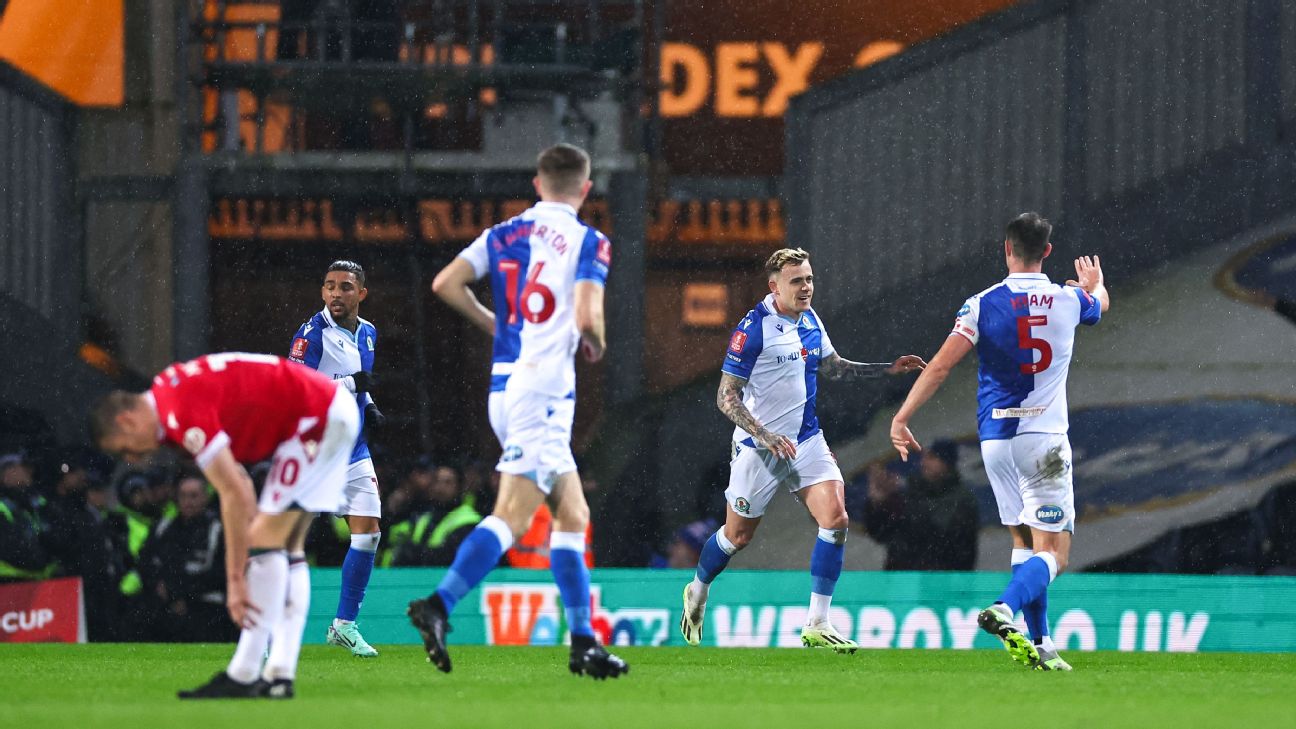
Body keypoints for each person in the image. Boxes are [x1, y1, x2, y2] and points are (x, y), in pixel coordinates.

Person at [411, 143, 627, 679]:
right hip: (544, 391)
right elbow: (585, 314)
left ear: (537, 183)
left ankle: (584, 642)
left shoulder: (505, 233)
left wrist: (491, 323)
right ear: (584, 188)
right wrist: (596, 342)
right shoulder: (588, 241)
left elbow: (445, 283)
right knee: (512, 515)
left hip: (504, 389)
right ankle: (438, 605)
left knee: (573, 515)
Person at [889, 213, 1109, 671]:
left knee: (1024, 540)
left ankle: (1042, 644)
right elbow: (1100, 306)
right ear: (1047, 251)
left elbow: (941, 367)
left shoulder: (980, 304)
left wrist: (903, 416)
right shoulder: (1069, 299)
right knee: (1055, 553)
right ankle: (1006, 607)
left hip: (995, 440)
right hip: (1044, 442)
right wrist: (1094, 283)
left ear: (1006, 249)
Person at [680, 247, 926, 652]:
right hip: (759, 449)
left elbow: (833, 366)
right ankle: (698, 590)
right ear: (774, 286)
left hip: (806, 440)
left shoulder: (811, 319)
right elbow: (726, 397)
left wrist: (887, 367)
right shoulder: (752, 329)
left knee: (837, 518)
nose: (806, 287)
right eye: (797, 281)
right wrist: (763, 435)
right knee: (736, 537)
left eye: (809, 279)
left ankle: (817, 622)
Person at [90, 352, 360, 698]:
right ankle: (278, 674)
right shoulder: (169, 395)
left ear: (126, 420)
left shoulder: (178, 412)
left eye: (124, 449)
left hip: (316, 417)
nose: (132, 459)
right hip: (322, 411)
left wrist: (235, 581)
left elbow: (232, 492)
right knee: (285, 546)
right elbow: (242, 486)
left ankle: (245, 674)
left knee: (266, 539)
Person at [288, 259, 384, 658]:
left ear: (361, 293)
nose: (335, 294)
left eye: (345, 287)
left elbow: (360, 382)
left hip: (353, 448)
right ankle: (267, 630)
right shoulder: (311, 335)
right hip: (314, 449)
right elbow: (296, 390)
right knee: (287, 541)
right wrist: (351, 385)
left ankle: (343, 625)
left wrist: (370, 403)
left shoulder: (369, 333)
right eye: (329, 286)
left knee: (369, 533)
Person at [138, 474, 236, 643]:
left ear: (205, 497)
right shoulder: (163, 527)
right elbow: (145, 562)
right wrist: (166, 590)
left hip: (205, 608)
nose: (188, 502)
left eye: (194, 496)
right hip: (166, 604)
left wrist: (183, 594)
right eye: (183, 496)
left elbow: (222, 571)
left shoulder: (218, 529)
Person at [858, 441, 978, 571]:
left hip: (941, 583)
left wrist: (898, 502)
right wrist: (878, 504)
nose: (924, 463)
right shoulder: (913, 491)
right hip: (901, 580)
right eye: (924, 457)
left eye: (931, 457)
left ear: (946, 463)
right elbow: (882, 534)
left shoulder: (962, 499)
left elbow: (938, 532)